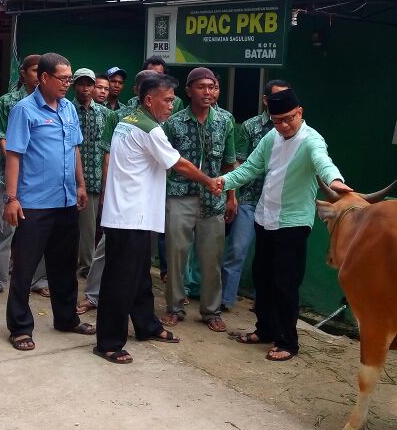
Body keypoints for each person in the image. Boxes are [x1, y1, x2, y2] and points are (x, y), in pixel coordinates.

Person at [94, 73, 221, 364]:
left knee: (139, 278)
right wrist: (208, 180)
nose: (171, 106)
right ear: (149, 100)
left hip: (135, 215)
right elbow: (179, 164)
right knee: (119, 281)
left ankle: (147, 326)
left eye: (173, 100)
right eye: (166, 100)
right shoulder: (149, 129)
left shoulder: (128, 122)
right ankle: (108, 342)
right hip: (130, 217)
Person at [217, 88, 352, 362]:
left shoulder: (312, 140)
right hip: (265, 217)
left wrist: (336, 182)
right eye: (277, 120)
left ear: (300, 113)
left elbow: (323, 163)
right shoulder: (272, 136)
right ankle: (265, 329)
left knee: (285, 283)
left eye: (288, 119)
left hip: (293, 223)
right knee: (262, 279)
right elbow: (250, 167)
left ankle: (288, 342)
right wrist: (223, 182)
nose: (283, 125)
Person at [3, 52, 95, 351]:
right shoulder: (24, 110)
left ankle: (66, 318)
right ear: (43, 78)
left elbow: (75, 149)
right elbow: (14, 154)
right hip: (34, 203)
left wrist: (80, 184)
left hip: (66, 200)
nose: (68, 84)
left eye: (69, 79)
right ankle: (19, 327)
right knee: (25, 268)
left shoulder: (68, 108)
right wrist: (12, 198)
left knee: (63, 266)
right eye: (63, 79)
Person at [77, 69, 159, 316]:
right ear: (138, 91)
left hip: (148, 200)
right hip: (122, 198)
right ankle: (93, 294)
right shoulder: (120, 116)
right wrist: (105, 192)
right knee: (106, 245)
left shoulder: (163, 118)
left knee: (143, 256)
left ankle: (137, 306)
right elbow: (107, 155)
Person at [161, 67, 237, 332]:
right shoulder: (173, 122)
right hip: (180, 197)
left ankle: (211, 310)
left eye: (213, 87)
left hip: (214, 200)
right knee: (176, 255)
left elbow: (229, 163)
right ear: (189, 90)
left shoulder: (225, 121)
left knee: (211, 258)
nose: (209, 92)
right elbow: (167, 163)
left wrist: (231, 196)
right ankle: (175, 307)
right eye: (202, 87)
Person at [220, 79, 291, 311]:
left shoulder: (293, 128)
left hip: (279, 205)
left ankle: (264, 306)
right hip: (250, 201)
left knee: (271, 259)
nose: (281, 103)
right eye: (276, 98)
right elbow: (239, 164)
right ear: (265, 100)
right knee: (237, 251)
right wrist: (232, 195)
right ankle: (224, 301)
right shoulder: (250, 127)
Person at [0, 53, 46, 300]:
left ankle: (38, 279)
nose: (38, 76)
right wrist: (17, 160)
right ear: (23, 73)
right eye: (34, 71)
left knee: (38, 230)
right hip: (10, 173)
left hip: (39, 179)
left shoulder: (51, 101)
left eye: (43, 72)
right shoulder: (8, 102)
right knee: (5, 229)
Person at [72, 68, 111, 278]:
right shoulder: (66, 109)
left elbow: (108, 151)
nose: (85, 88)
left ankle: (85, 268)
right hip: (68, 180)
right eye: (81, 84)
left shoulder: (106, 114)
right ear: (74, 85)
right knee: (66, 228)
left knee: (88, 230)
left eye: (89, 84)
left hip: (95, 180)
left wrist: (106, 185)